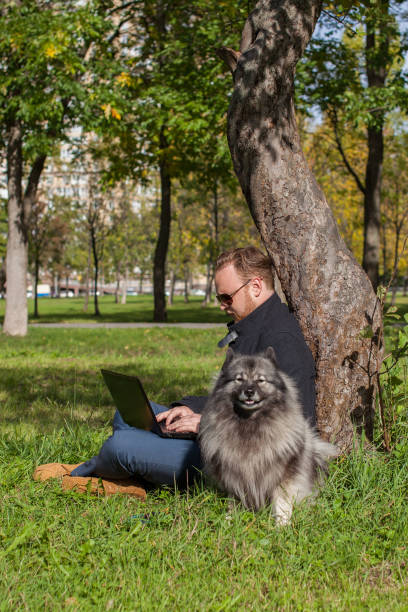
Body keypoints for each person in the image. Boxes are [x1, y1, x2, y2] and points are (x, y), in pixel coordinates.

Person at [34, 246, 316, 493]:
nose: (221, 306)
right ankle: (133, 476)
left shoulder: (281, 340)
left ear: (255, 287)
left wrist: (206, 424)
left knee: (121, 446)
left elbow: (291, 427)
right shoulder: (251, 328)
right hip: (217, 437)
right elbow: (231, 398)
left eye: (226, 297)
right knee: (128, 416)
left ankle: (88, 472)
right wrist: (189, 408)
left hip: (234, 464)